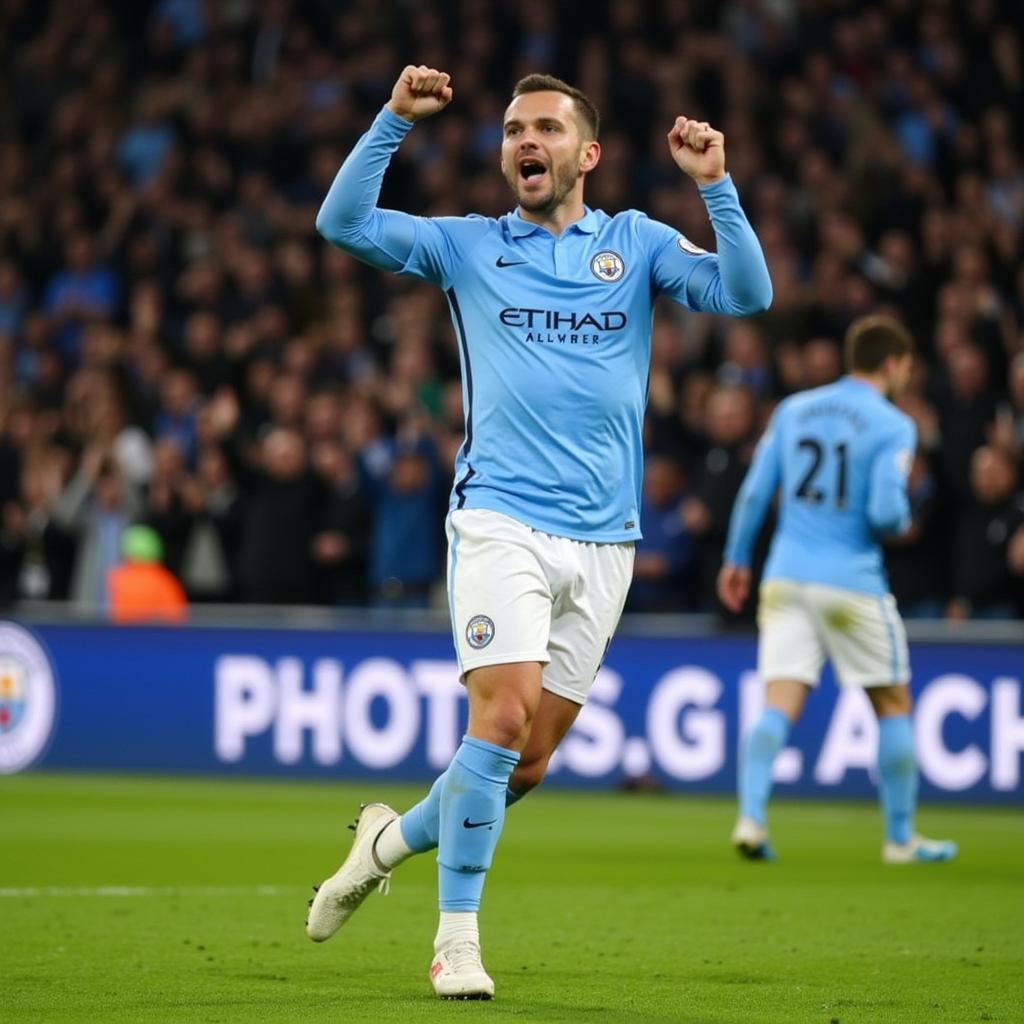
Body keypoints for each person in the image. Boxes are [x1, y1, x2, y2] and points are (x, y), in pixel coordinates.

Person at [308, 64, 771, 999]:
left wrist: (716, 184)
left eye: (548, 129)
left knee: (525, 761)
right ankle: (457, 939)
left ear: (586, 153)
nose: (527, 140)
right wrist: (394, 121)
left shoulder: (635, 243)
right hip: (500, 519)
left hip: (606, 539)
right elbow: (342, 224)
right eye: (515, 128)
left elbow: (745, 295)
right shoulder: (469, 247)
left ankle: (382, 844)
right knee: (503, 714)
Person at [718, 314, 957, 865]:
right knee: (892, 701)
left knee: (778, 700)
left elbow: (756, 492)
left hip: (783, 575)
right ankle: (900, 839)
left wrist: (736, 559)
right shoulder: (894, 424)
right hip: (850, 582)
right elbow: (885, 513)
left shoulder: (794, 409)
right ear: (894, 364)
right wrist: (904, 517)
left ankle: (751, 817)